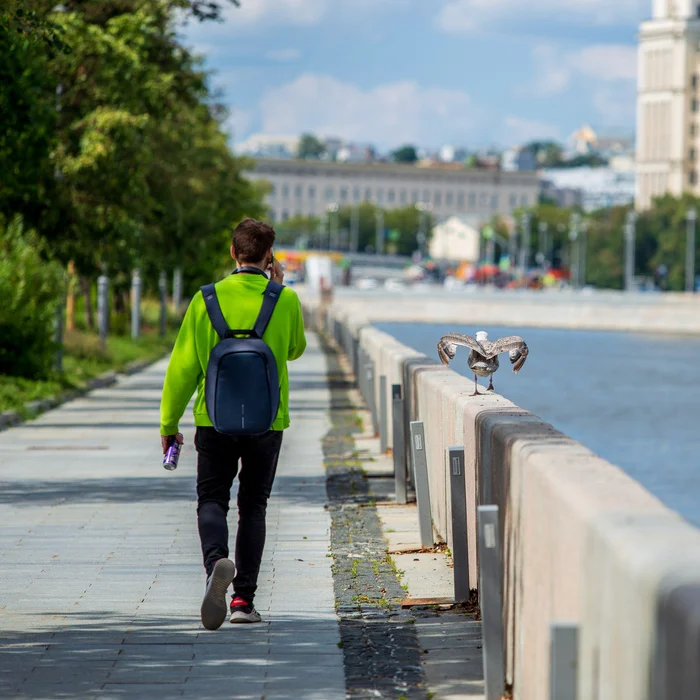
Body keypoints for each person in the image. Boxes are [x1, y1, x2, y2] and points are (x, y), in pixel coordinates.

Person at [159, 218, 307, 630]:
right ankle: (243, 600)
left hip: (214, 420)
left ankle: (214, 565)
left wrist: (168, 422)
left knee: (211, 500)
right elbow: (295, 350)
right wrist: (278, 286)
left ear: (233, 253)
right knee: (253, 507)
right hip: (267, 422)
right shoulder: (286, 299)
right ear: (268, 257)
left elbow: (183, 367)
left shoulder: (205, 299)